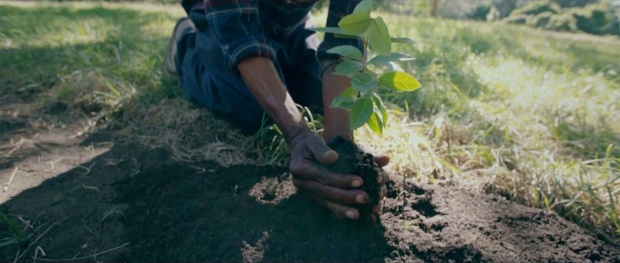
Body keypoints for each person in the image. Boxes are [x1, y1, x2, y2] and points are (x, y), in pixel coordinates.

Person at [163, 0, 389, 221]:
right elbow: (239, 34)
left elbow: (344, 39)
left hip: (290, 22)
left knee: (318, 97)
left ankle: (277, 54)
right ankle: (184, 45)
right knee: (254, 109)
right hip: (223, 19)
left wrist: (341, 147)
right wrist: (297, 135)